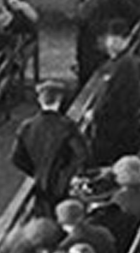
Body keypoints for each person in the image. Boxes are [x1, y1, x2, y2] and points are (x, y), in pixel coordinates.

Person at [13, 81, 90, 209]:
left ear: (40, 101)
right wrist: (68, 173)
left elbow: (16, 158)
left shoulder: (27, 126)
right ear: (59, 101)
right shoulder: (67, 126)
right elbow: (82, 155)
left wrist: (36, 171)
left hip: (40, 184)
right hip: (62, 186)